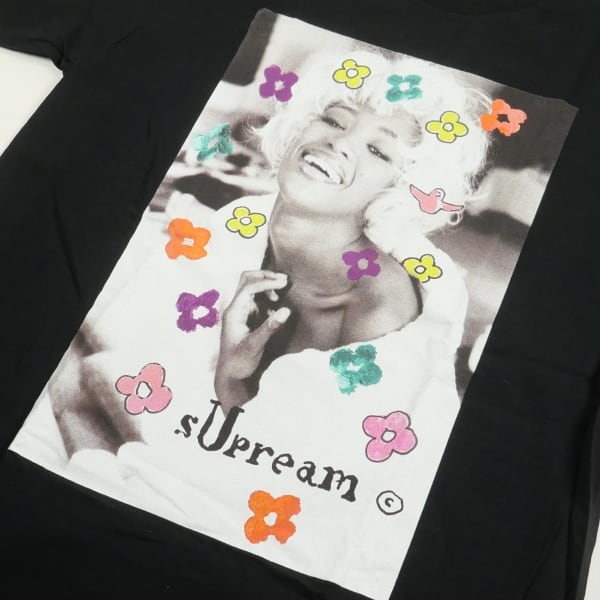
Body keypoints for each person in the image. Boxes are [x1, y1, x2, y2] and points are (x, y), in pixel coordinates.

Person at [213, 48, 491, 413]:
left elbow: (289, 444)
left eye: (377, 150)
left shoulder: (377, 314)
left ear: (400, 189)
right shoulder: (236, 224)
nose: (340, 142)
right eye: (334, 120)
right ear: (298, 126)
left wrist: (229, 381)